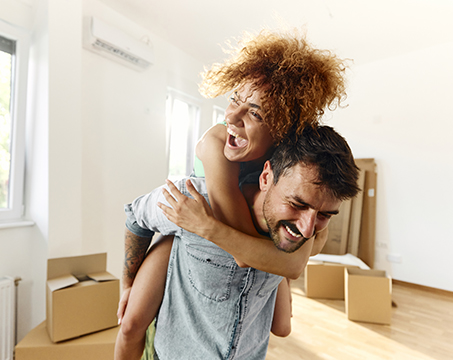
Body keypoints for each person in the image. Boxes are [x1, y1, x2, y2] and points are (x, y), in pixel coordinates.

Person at [115, 29, 348, 360]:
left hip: (229, 258)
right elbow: (242, 250)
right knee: (133, 321)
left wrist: (291, 256)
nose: (231, 117)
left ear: (283, 134)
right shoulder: (216, 148)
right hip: (182, 232)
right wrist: (127, 283)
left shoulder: (292, 185)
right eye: (235, 100)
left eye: (255, 113)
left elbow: (294, 260)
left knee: (282, 324)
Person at [123, 126, 360, 359]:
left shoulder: (303, 234)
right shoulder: (193, 205)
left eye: (325, 215)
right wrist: (127, 284)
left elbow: (283, 319)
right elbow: (135, 214)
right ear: (266, 177)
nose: (307, 229)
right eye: (297, 204)